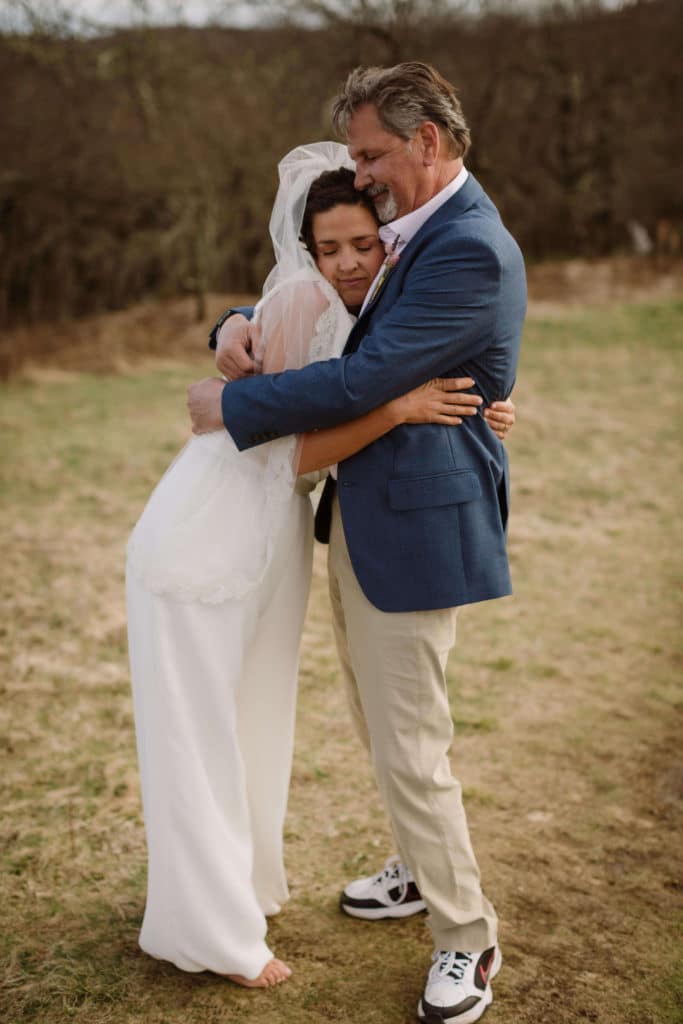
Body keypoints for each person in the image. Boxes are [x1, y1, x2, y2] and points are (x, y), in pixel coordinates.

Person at [126, 142, 511, 991]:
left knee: (284, 725)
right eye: (326, 247)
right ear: (306, 249)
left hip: (276, 540)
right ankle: (211, 922)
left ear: (389, 244)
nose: (343, 263)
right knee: (204, 728)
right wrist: (400, 405)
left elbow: (405, 358)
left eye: (360, 246)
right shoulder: (310, 294)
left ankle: (432, 924)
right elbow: (294, 449)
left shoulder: (395, 293)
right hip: (212, 542)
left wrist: (480, 402)